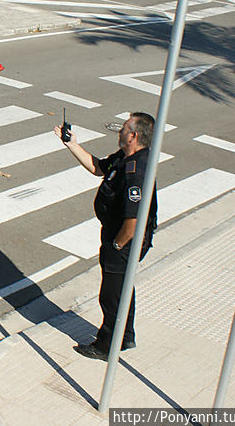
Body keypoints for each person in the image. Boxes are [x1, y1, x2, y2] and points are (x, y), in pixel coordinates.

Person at [54, 112, 158, 361]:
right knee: (121, 288)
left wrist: (117, 244)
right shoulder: (125, 158)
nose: (119, 131)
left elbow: (133, 222)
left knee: (111, 295)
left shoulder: (137, 170)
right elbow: (97, 168)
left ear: (133, 135)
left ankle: (107, 345)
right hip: (117, 235)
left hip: (124, 239)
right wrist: (72, 144)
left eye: (123, 128)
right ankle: (126, 335)